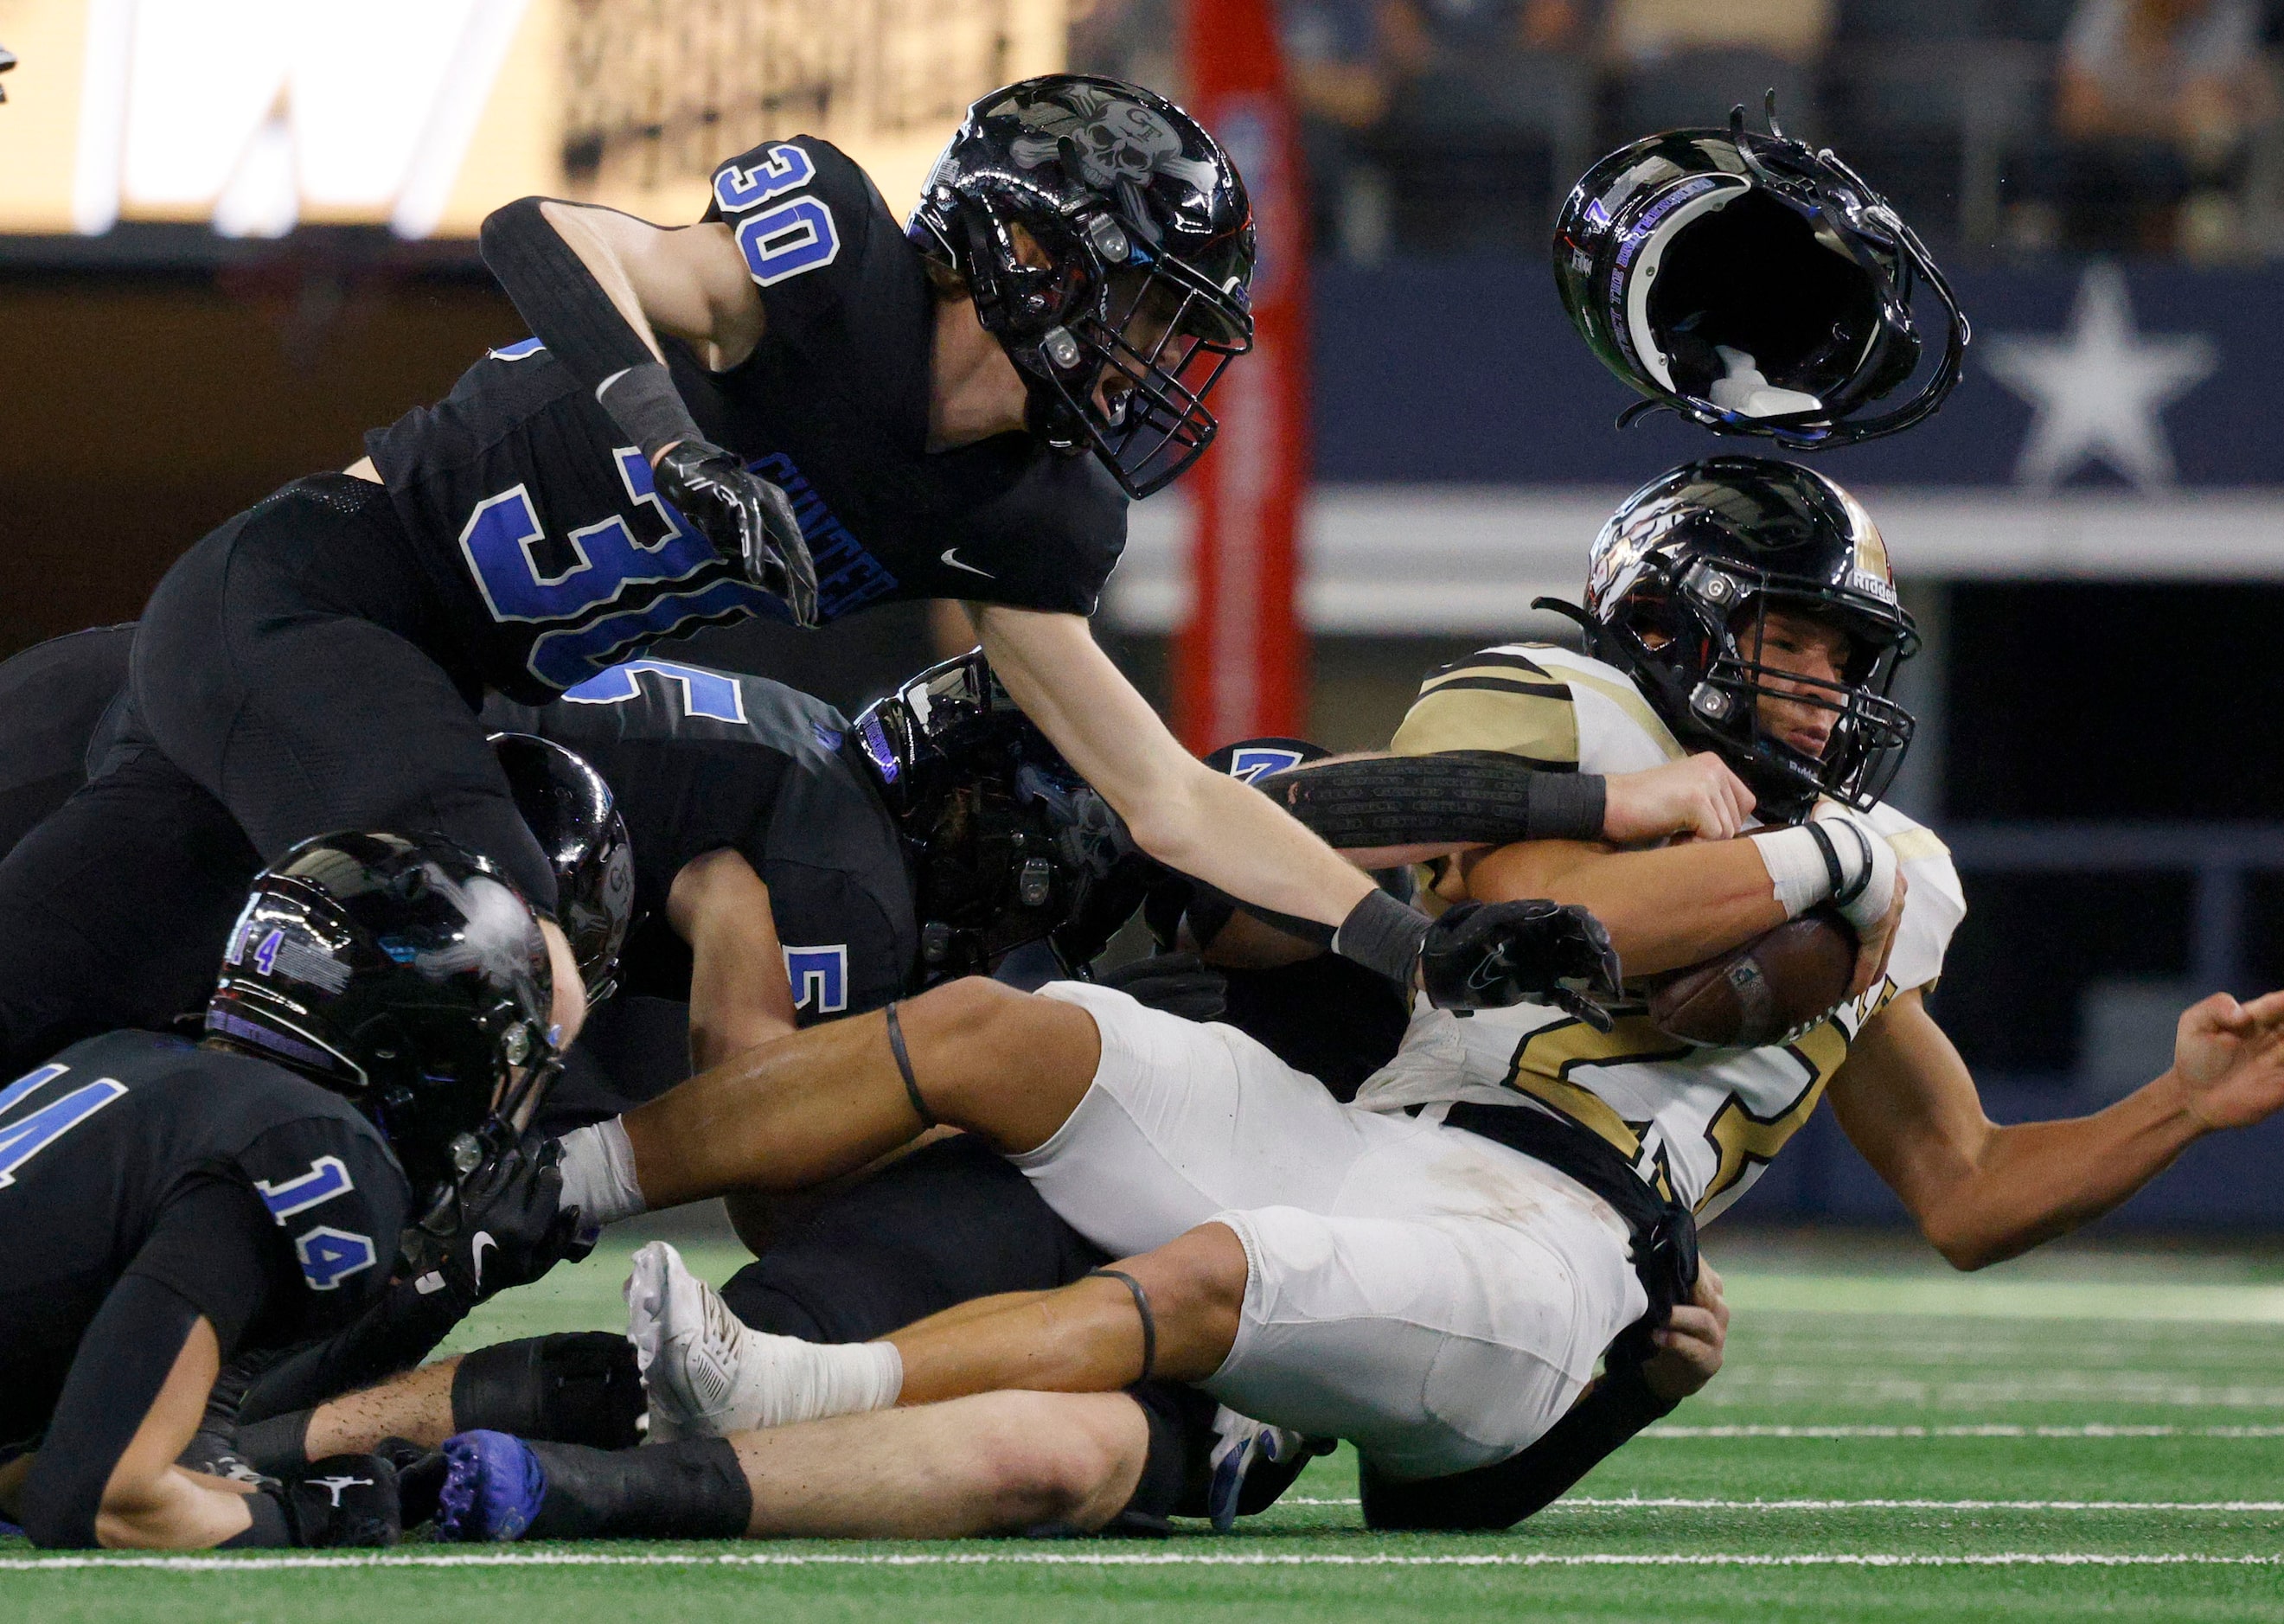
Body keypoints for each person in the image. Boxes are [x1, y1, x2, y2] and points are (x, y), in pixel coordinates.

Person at [434, 456, 2284, 1538]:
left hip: (1558, 1244)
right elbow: (1566, 924)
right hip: (1378, 1133)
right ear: (1667, 623)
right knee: (1015, 1037)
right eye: (1783, 636)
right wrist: (1827, 863)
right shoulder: (1568, 719)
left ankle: (798, 1386)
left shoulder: (1874, 886)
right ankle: (551, 1196)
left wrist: (2173, 1115)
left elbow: (1963, 1190)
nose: (1815, 683)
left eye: (1838, 654)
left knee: (1204, 1288)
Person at [0, 74, 1614, 1083]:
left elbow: (1167, 795)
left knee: (65, 971)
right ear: (1026, 252)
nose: (1154, 362)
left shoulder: (1025, 511)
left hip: (425, 690)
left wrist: (1411, 953)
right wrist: (675, 437)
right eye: (1142, 309)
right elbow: (548, 228)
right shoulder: (832, 266)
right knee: (497, 963)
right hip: (313, 593)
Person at [0, 831, 586, 1549]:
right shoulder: (304, 1144)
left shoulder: (124, 1059)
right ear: (428, 1049)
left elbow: (41, 1470)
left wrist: (317, 1496)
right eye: (501, 1062)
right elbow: (102, 1497)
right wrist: (311, 1520)